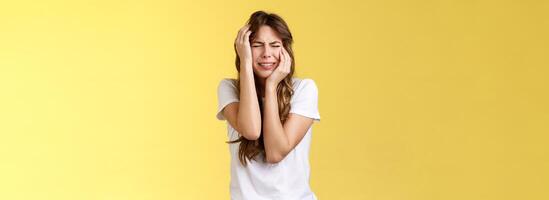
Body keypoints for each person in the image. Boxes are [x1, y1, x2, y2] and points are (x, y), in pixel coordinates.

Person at [216, 10, 320, 200]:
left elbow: (275, 152)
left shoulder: (305, 89)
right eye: (257, 45)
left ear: (286, 50)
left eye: (275, 45)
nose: (267, 54)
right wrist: (246, 62)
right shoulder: (229, 88)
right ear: (244, 49)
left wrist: (271, 87)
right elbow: (251, 130)